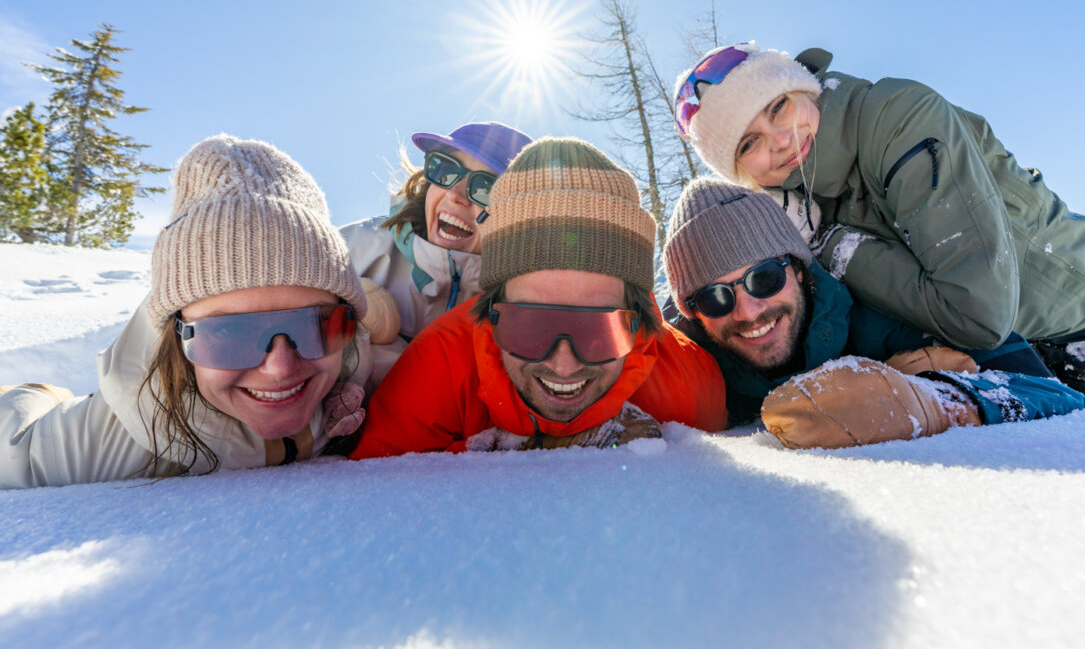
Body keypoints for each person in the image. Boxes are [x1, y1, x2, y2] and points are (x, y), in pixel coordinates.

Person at [672, 42, 1085, 398]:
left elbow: (979, 315)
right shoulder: (792, 199)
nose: (778, 139)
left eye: (777, 107)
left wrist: (833, 242)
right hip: (1002, 357)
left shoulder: (899, 118)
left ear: (801, 88)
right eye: (748, 144)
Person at [0, 135, 381, 488]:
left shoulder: (356, 373)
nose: (280, 367)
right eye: (230, 334)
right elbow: (15, 454)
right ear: (178, 336)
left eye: (315, 325)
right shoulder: (104, 449)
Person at [349, 137, 727, 458]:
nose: (563, 366)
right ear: (491, 309)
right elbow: (375, 487)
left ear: (638, 320)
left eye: (601, 330)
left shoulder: (685, 385)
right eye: (528, 325)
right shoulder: (441, 364)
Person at [663, 177, 1085, 448]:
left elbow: (1053, 393)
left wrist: (944, 401)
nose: (749, 310)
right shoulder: (691, 368)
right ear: (693, 313)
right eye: (714, 297)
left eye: (764, 278)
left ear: (797, 269)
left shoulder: (882, 313)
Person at [340, 122, 532, 394]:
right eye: (446, 170)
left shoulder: (521, 307)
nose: (455, 195)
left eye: (486, 188)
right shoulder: (359, 247)